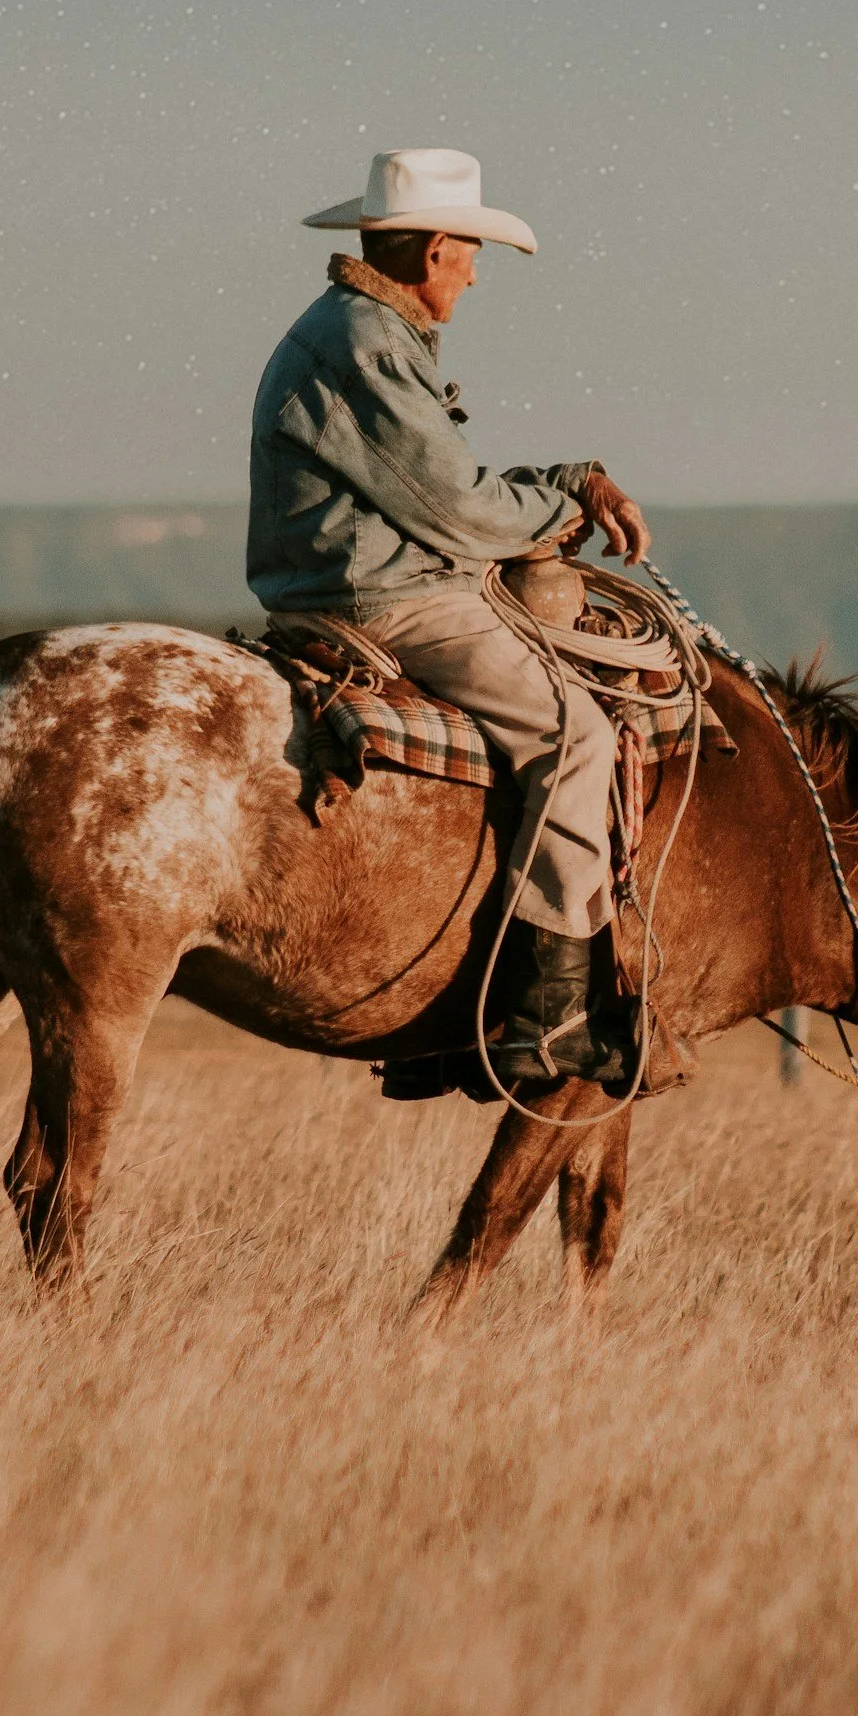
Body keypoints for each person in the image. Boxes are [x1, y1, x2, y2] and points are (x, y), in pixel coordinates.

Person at [248, 145, 652, 1098]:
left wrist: (565, 481)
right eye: (470, 252)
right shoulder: (367, 342)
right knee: (576, 737)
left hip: (363, 579)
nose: (475, 272)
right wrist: (563, 513)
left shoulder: (356, 331)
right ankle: (550, 1022)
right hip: (388, 597)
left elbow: (440, 485)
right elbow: (457, 511)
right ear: (435, 250)